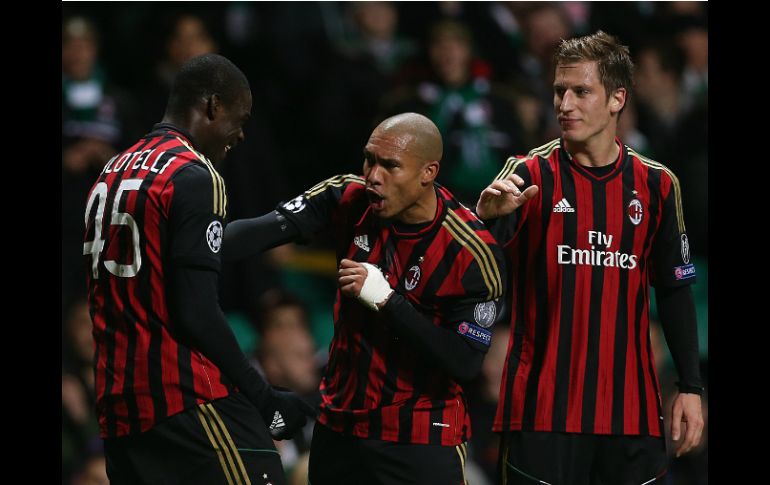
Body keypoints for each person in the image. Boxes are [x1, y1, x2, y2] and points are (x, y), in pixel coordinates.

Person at [222, 112, 506, 484]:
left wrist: (389, 302)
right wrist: (190, 239)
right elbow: (262, 230)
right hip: (340, 425)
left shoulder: (470, 252)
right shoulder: (348, 197)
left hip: (418, 438)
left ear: (428, 172)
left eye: (390, 165)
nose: (373, 175)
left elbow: (464, 362)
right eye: (369, 159)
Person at [474, 31, 704, 484]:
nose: (565, 105)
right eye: (559, 91)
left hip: (630, 413)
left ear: (617, 98)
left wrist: (690, 387)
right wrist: (486, 222)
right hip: (542, 412)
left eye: (581, 92)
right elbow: (478, 270)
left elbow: (675, 291)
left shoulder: (658, 185)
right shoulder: (527, 172)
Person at [82, 53, 315, 485]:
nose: (241, 134)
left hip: (120, 408)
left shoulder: (112, 170)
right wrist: (265, 399)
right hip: (182, 400)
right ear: (213, 106)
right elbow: (197, 312)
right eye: (240, 118)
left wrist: (288, 221)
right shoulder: (195, 174)